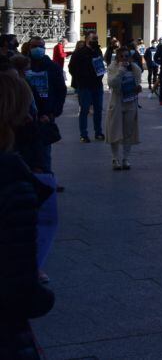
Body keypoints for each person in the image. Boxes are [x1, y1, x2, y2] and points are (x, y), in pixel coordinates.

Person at [0, 70, 55, 357]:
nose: (29, 118)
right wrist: (42, 292)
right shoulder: (12, 179)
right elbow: (20, 288)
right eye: (25, 109)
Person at [23, 37, 65, 173]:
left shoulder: (52, 67)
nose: (37, 49)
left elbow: (60, 90)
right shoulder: (22, 66)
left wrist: (53, 112)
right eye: (34, 46)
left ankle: (47, 179)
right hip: (25, 116)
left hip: (46, 115)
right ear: (29, 48)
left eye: (40, 46)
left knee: (45, 150)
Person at [105, 47, 142, 170]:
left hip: (130, 102)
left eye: (127, 56)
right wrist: (121, 70)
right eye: (122, 56)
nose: (125, 58)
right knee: (114, 130)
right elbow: (112, 84)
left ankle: (126, 158)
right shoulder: (112, 68)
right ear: (117, 57)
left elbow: (137, 81)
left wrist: (138, 88)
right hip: (117, 103)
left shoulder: (134, 68)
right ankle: (115, 158)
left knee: (128, 132)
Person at [69, 31, 106, 142]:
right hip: (85, 86)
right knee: (84, 110)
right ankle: (83, 134)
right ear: (87, 39)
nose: (95, 41)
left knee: (98, 109)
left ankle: (98, 132)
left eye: (96, 38)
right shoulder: (79, 53)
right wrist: (80, 79)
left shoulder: (98, 51)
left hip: (97, 85)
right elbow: (72, 68)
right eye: (93, 39)